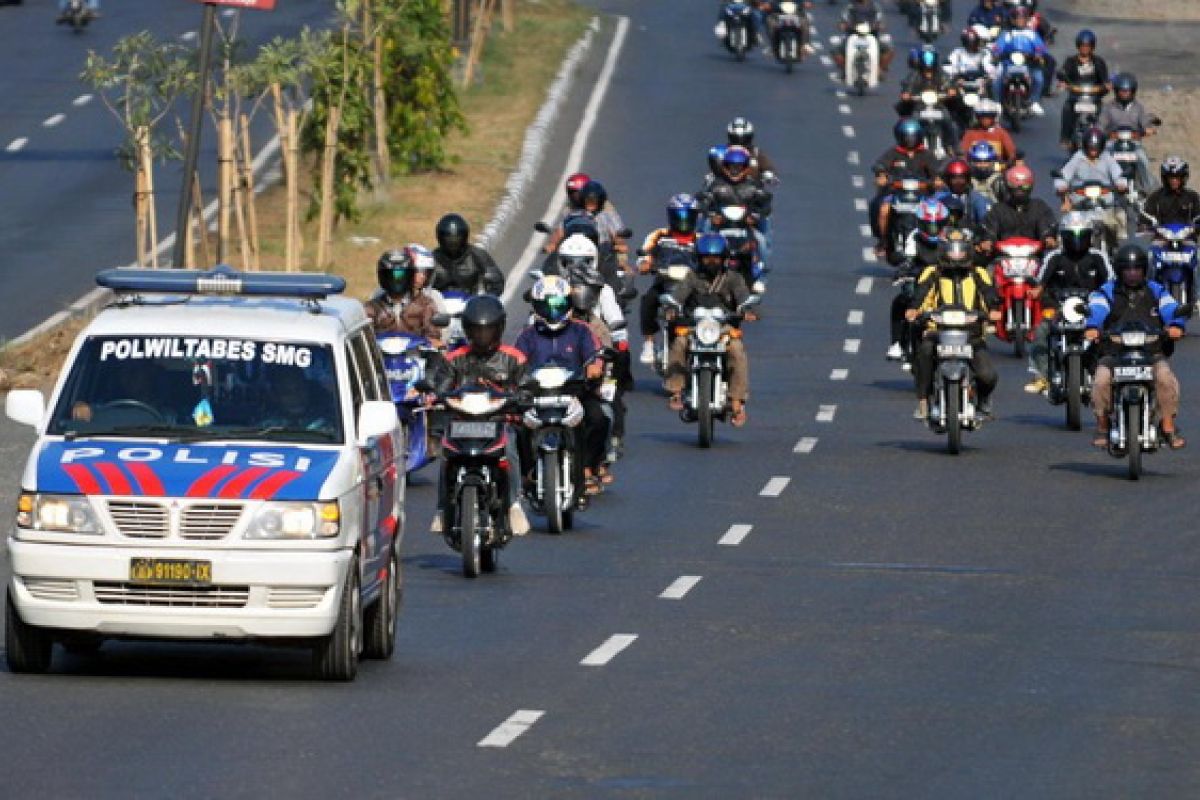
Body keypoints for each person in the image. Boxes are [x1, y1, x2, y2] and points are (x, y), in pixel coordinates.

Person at [429, 295, 531, 535]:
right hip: (462, 423)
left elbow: (527, 384)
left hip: (499, 422)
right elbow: (441, 384)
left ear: (499, 328)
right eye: (477, 331)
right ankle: (443, 509)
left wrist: (523, 397)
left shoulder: (514, 357)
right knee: (446, 456)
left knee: (512, 448)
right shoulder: (454, 358)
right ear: (467, 330)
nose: (482, 336)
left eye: (488, 330)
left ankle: (514, 504)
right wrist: (436, 394)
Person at [514, 276, 610, 499]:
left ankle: (586, 469)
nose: (552, 312)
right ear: (536, 307)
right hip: (536, 394)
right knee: (515, 426)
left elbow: (595, 354)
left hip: (574, 390)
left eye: (558, 305)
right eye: (546, 306)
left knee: (599, 418)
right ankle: (528, 473)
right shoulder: (527, 335)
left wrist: (595, 367)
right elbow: (515, 360)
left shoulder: (582, 331)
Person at [1085, 243, 1186, 448]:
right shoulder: (1106, 291)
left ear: (1144, 269)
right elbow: (1097, 308)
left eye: (1136, 269)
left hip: (1151, 351)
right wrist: (1093, 326)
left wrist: (1176, 324)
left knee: (1165, 378)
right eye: (1127, 270)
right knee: (1101, 380)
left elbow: (1170, 307)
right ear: (1119, 270)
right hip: (1114, 352)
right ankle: (1102, 426)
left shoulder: (1157, 290)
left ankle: (1168, 426)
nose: (1132, 274)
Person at [907, 230, 1002, 419]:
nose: (956, 256)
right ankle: (923, 400)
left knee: (988, 376)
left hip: (972, 336)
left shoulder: (978, 273)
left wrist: (992, 310)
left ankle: (983, 400)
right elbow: (921, 293)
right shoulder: (932, 273)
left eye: (960, 251)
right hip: (938, 332)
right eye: (951, 251)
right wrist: (915, 310)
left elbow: (989, 294)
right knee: (925, 352)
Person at [664, 233, 753, 426]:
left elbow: (744, 298)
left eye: (716, 258)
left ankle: (737, 401)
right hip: (695, 326)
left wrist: (747, 310)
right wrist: (671, 308)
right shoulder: (691, 277)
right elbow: (677, 296)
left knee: (737, 350)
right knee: (679, 343)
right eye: (706, 258)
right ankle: (676, 391)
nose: (711, 262)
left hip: (723, 327)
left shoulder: (734, 279)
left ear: (724, 258)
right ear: (699, 258)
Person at [1024, 212, 1112, 393]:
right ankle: (1041, 375)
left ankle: (1109, 374)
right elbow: (1041, 283)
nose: (1077, 240)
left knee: (1111, 332)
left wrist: (1105, 301)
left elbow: (1111, 283)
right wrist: (1037, 292)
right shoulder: (1054, 257)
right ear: (1063, 236)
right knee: (1041, 330)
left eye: (1082, 235)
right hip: (1060, 308)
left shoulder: (1098, 257)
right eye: (1072, 235)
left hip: (1091, 308)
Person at [638, 193, 701, 365]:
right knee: (648, 300)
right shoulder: (659, 235)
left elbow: (712, 257)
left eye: (688, 216)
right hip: (665, 283)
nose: (683, 220)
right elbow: (646, 254)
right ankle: (649, 342)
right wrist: (646, 264)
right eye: (679, 215)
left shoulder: (701, 239)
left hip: (692, 287)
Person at [888, 198, 950, 364]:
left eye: (937, 225)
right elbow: (907, 259)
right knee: (901, 301)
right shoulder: (913, 238)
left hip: (944, 280)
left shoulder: (950, 239)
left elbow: (962, 257)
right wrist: (903, 270)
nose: (933, 229)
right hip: (918, 279)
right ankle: (897, 344)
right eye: (929, 225)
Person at [697, 145, 773, 264]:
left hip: (746, 226)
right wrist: (712, 215)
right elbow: (703, 200)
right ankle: (699, 260)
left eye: (739, 167)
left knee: (761, 240)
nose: (735, 171)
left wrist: (755, 216)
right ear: (725, 166)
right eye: (731, 167)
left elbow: (765, 203)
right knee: (704, 227)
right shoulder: (716, 185)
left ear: (746, 167)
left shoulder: (754, 186)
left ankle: (763, 271)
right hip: (720, 225)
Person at [870, 118, 939, 248]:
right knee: (882, 209)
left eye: (913, 137)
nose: (910, 140)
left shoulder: (926, 154)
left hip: (922, 194)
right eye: (907, 137)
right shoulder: (893, 153)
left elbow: (937, 171)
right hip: (896, 192)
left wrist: (937, 181)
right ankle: (883, 240)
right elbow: (880, 165)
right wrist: (881, 175)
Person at [1055, 127, 1128, 248]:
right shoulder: (1077, 158)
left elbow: (1117, 173)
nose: (1093, 151)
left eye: (1096, 148)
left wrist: (1121, 183)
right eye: (1090, 148)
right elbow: (1063, 176)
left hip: (1105, 203)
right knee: (1065, 230)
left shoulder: (1107, 158)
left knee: (1118, 218)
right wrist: (1061, 186)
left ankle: (1113, 246)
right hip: (1080, 204)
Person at [365, 246, 445, 345]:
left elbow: (435, 338)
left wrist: (433, 347)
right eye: (392, 276)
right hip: (382, 359)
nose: (397, 280)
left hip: (416, 357)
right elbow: (364, 341)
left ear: (410, 275)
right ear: (383, 277)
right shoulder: (372, 307)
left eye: (402, 275)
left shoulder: (426, 304)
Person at [1097, 73, 1158, 191]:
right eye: (1122, 91)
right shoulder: (1108, 107)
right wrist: (1101, 132)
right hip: (1112, 143)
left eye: (1128, 91)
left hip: (1134, 143)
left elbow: (1144, 121)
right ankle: (1102, 187)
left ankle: (1148, 188)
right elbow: (1101, 124)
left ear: (1133, 91)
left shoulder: (1138, 107)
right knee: (1103, 161)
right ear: (1116, 91)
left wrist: (1148, 129)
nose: (1125, 94)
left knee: (1143, 160)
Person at [981, 165, 1058, 255]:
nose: (1020, 190)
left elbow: (1046, 226)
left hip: (1033, 257)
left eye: (1024, 187)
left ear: (1030, 186)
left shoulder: (1039, 206)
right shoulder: (998, 209)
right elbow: (990, 230)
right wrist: (988, 240)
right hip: (1003, 257)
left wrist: (1048, 237)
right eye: (1015, 186)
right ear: (1008, 186)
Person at [896, 47, 961, 153]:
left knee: (951, 124)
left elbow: (949, 85)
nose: (928, 67)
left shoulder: (942, 74)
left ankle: (954, 147)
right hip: (919, 107)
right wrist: (907, 95)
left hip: (938, 107)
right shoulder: (915, 75)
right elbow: (908, 87)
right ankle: (906, 147)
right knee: (910, 125)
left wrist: (951, 91)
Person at [1056, 29, 1110, 150]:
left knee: (1104, 114)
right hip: (1075, 96)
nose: (1085, 48)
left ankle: (1104, 140)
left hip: (1094, 97)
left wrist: (1106, 86)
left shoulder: (1099, 62)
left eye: (1088, 46)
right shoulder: (1071, 61)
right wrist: (1063, 83)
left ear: (1092, 47)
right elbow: (1063, 74)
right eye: (1082, 46)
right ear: (1078, 46)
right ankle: (1066, 138)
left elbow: (1105, 80)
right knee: (1067, 108)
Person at [991, 5, 1049, 116]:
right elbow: (998, 46)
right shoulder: (1007, 33)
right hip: (1008, 63)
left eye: (1022, 18)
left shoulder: (1032, 34)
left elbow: (1040, 47)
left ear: (1026, 19)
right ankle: (997, 103)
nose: (1020, 20)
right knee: (996, 79)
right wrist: (996, 54)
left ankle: (1034, 101)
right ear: (1012, 19)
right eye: (1017, 18)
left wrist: (1038, 54)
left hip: (1028, 63)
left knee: (1039, 78)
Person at [431, 213, 506, 296]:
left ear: (465, 236)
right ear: (440, 237)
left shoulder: (478, 255)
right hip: (439, 305)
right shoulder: (432, 258)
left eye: (457, 239)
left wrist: (487, 298)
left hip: (470, 304)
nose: (453, 243)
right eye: (448, 239)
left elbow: (496, 281)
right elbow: (420, 284)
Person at [831, 0, 894, 76]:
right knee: (835, 51)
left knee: (889, 50)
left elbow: (881, 20)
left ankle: (879, 69)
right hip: (853, 35)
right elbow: (843, 19)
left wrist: (880, 26)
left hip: (872, 36)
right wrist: (843, 25)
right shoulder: (850, 7)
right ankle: (845, 68)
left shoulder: (875, 7)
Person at [959, 99, 1020, 167]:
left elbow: (1011, 151)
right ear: (977, 117)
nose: (985, 120)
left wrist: (1012, 161)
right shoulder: (970, 133)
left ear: (994, 117)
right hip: (974, 169)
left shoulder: (1001, 133)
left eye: (989, 116)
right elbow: (963, 152)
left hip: (997, 170)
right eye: (982, 117)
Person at [1143, 157, 1200, 228]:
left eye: (1177, 177)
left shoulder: (1193, 196)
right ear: (1165, 178)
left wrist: (1196, 225)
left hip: (1187, 236)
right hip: (1161, 237)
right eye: (1171, 177)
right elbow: (1145, 218)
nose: (1174, 181)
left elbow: (1198, 215)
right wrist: (1145, 224)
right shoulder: (1155, 196)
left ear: (1183, 178)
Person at [937, 158, 990, 231]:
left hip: (971, 238)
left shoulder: (977, 199)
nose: (958, 182)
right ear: (948, 180)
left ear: (967, 179)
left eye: (961, 178)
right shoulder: (942, 198)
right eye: (954, 178)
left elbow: (984, 223)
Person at [726, 117, 777, 183]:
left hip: (752, 188)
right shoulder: (723, 152)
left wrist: (769, 174)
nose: (740, 143)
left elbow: (768, 168)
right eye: (736, 139)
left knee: (764, 193)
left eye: (744, 139)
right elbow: (715, 167)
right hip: (725, 187)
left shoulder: (756, 152)